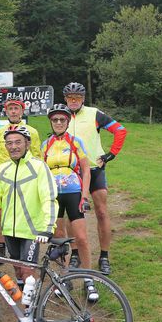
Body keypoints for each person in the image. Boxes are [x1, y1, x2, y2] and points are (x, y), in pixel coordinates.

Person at [0, 125, 58, 322]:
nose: (13, 146)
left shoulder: (38, 166)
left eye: (18, 142)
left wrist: (48, 226)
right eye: (9, 143)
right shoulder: (3, 169)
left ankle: (30, 320)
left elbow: (48, 197)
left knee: (27, 273)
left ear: (27, 144)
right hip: (9, 230)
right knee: (18, 274)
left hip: (33, 231)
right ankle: (29, 306)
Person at [63, 82, 127, 275]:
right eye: (70, 98)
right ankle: (74, 253)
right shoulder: (61, 116)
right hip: (72, 171)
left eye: (77, 98)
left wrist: (111, 153)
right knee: (71, 213)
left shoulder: (94, 114)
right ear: (65, 99)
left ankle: (104, 256)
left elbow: (120, 130)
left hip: (95, 168)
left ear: (83, 99)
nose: (74, 101)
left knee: (101, 211)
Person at [41, 104, 98, 302]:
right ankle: (66, 277)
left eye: (62, 120)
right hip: (53, 195)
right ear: (51, 121)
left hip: (73, 192)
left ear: (67, 121)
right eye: (55, 120)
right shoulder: (45, 144)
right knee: (59, 239)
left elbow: (86, 169)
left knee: (81, 238)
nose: (58, 123)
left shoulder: (75, 142)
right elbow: (41, 172)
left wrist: (84, 195)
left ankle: (89, 279)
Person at [0, 99, 42, 261]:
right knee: (3, 213)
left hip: (25, 180)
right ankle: (2, 249)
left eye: (16, 108)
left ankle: (27, 248)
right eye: (10, 109)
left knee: (25, 211)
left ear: (22, 111)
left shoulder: (31, 131)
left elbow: (38, 156)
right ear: (6, 111)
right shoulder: (0, 132)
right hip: (5, 179)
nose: (13, 111)